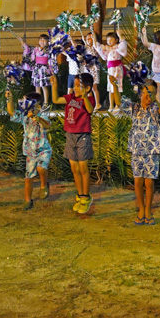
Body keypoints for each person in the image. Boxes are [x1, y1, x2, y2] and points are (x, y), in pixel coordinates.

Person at [110, 76, 160, 225]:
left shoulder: (155, 109)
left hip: (152, 151)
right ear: (140, 93)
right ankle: (141, 209)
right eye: (146, 92)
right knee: (138, 182)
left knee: (149, 183)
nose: (149, 95)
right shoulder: (134, 108)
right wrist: (115, 85)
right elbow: (119, 102)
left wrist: (156, 100)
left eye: (152, 92)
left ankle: (148, 210)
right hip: (136, 149)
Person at [51, 73, 95, 214]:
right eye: (75, 85)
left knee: (83, 168)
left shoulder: (89, 99)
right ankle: (80, 194)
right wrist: (55, 85)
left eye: (78, 86)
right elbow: (55, 100)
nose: (75, 88)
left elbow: (90, 110)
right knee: (74, 169)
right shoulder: (70, 97)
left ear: (87, 88)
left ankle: (86, 197)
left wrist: (84, 96)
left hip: (82, 136)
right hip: (70, 135)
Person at [7, 90, 52, 210]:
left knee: (41, 168)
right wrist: (9, 99)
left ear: (39, 106)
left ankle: (44, 185)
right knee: (28, 178)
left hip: (43, 150)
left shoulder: (42, 115)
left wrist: (39, 119)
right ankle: (28, 200)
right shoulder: (24, 116)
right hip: (30, 153)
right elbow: (11, 112)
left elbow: (48, 125)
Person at [92, 31, 128, 112]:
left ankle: (118, 105)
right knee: (110, 87)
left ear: (116, 40)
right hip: (110, 70)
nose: (109, 41)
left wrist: (120, 35)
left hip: (117, 69)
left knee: (116, 87)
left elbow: (123, 45)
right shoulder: (108, 48)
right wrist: (94, 38)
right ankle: (111, 105)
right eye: (108, 40)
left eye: (111, 39)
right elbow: (98, 47)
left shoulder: (118, 47)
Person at [19, 33, 55, 105]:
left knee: (44, 86)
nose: (42, 41)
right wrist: (22, 42)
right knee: (37, 87)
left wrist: (52, 71)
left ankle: (46, 103)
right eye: (41, 39)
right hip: (36, 69)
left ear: (47, 42)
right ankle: (38, 102)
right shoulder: (36, 49)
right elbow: (27, 49)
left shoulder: (49, 50)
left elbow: (51, 61)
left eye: (44, 40)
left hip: (44, 69)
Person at [82, 33, 102, 109]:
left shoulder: (95, 47)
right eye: (87, 38)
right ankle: (91, 104)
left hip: (94, 69)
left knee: (94, 87)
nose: (88, 40)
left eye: (90, 38)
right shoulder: (85, 49)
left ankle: (97, 103)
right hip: (86, 70)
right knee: (88, 88)